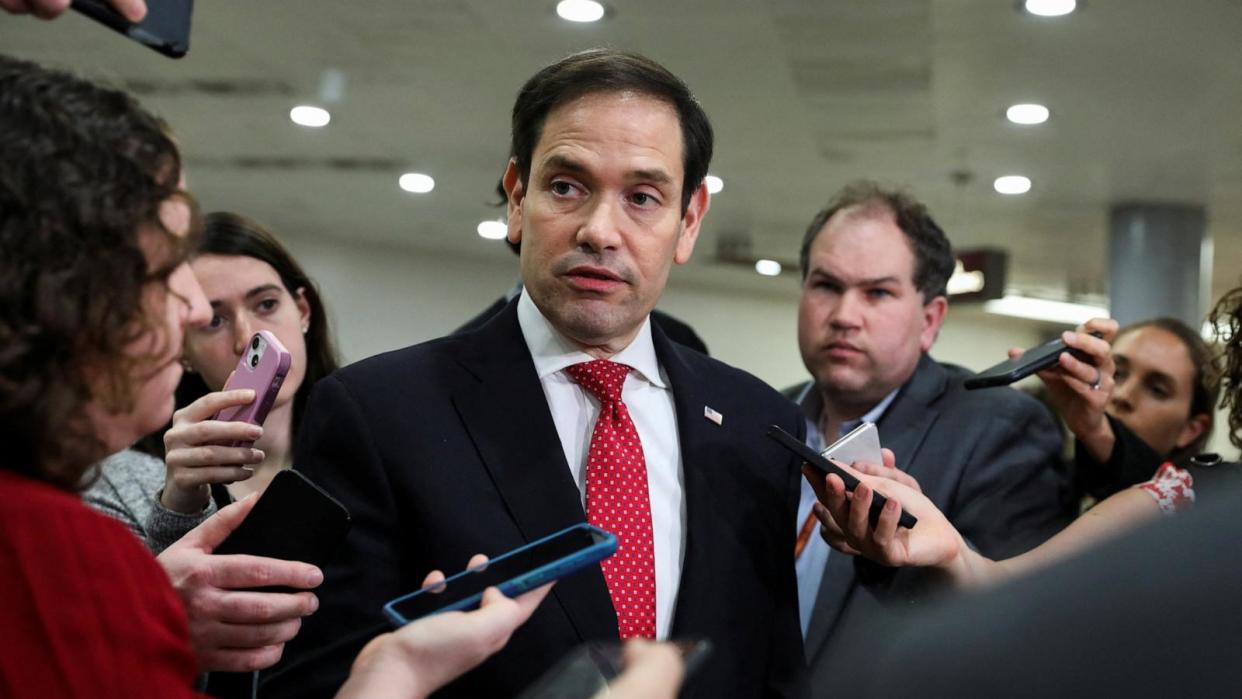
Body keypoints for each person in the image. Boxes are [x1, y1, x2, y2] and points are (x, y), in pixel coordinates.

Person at [0, 53, 569, 698]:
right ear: (59, 293)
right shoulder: (53, 549)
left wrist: (393, 671)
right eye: (163, 273)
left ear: (302, 306)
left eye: (264, 303)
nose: (191, 309)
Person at [266, 49, 806, 698]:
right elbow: (317, 681)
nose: (600, 231)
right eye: (567, 186)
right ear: (517, 198)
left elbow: (775, 674)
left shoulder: (759, 423)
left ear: (688, 222)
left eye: (642, 197)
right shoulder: (380, 413)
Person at [788, 181, 1072, 669]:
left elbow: (1012, 626)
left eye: (877, 292)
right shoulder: (768, 414)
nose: (843, 316)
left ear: (930, 320)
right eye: (826, 285)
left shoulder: (999, 429)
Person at [84, 211, 341, 555]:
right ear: (182, 349)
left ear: (303, 311)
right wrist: (179, 508)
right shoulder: (122, 482)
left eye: (266, 304)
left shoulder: (364, 455)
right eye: (214, 320)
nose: (247, 339)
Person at [1056, 317, 1219, 501]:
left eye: (1157, 390)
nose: (1122, 395)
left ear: (1191, 430)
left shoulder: (1195, 518)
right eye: (1116, 373)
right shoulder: (1047, 480)